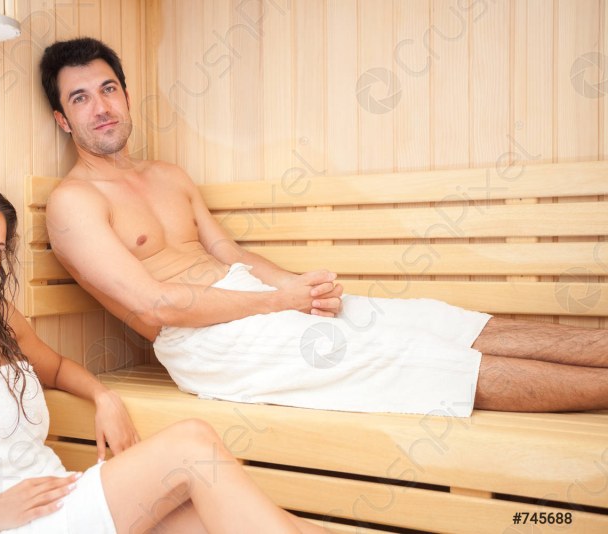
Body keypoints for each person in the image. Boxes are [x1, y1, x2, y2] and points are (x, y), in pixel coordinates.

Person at [40, 38, 608, 418]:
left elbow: (225, 250)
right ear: (64, 120)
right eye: (81, 98)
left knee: (438, 321)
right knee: (418, 357)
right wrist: (276, 302)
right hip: (209, 340)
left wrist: (302, 289)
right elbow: (155, 305)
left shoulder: (167, 174)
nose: (101, 107)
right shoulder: (74, 202)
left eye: (108, 88)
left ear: (126, 94)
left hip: (256, 299)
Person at [0, 176, 330, 533]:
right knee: (192, 445)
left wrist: (103, 396)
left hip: (58, 499)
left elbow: (54, 368)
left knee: (226, 520)